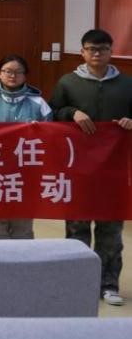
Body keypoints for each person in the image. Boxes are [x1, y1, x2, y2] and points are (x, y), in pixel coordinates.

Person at [51, 28, 132, 306]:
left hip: (114, 169)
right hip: (78, 168)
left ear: (111, 52)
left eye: (103, 49)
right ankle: (77, 282)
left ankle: (109, 284)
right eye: (91, 49)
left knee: (111, 231)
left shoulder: (126, 84)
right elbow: (53, 113)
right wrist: (71, 112)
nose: (97, 54)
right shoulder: (68, 82)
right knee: (77, 227)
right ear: (82, 52)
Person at [0, 54, 52, 241]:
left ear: (25, 75)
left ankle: (22, 259)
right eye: (8, 71)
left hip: (26, 172)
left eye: (18, 72)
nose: (12, 76)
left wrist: (39, 131)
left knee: (23, 225)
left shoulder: (39, 103)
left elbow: (51, 136)